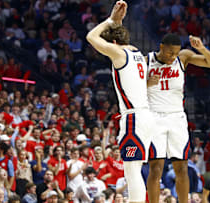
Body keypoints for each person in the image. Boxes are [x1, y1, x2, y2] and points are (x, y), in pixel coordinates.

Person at [86, 1, 155, 202]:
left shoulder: (119, 52)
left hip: (134, 117)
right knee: (135, 169)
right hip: (145, 115)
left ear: (112, 44)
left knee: (131, 170)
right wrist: (118, 23)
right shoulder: (138, 54)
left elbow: (91, 37)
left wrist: (111, 20)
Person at [146, 32, 210, 203]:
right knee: (156, 168)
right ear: (161, 47)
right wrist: (147, 83)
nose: (173, 57)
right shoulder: (146, 60)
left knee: (182, 168)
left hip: (177, 117)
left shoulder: (183, 57)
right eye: (170, 52)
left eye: (176, 53)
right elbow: (130, 87)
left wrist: (201, 48)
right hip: (154, 116)